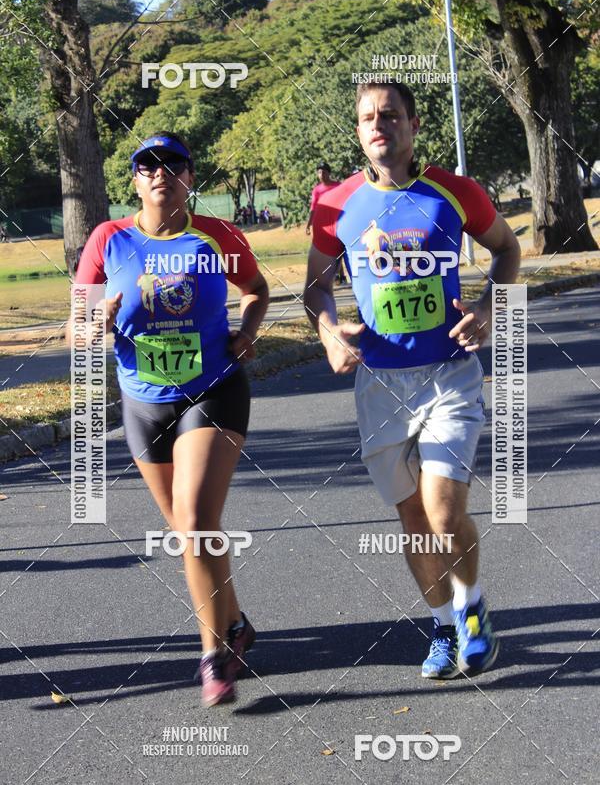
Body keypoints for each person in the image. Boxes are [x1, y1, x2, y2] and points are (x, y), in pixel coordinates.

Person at [304, 81, 521, 679]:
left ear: (413, 124)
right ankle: (445, 626)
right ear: (358, 131)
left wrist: (487, 307)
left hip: (449, 374)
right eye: (369, 118)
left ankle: (474, 608)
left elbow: (507, 249)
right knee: (415, 523)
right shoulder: (335, 204)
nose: (380, 125)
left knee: (443, 510)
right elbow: (315, 286)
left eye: (391, 115)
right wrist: (327, 331)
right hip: (380, 385)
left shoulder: (453, 192)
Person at [71, 132, 269, 705]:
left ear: (189, 176)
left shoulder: (216, 235)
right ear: (134, 179)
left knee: (196, 518)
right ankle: (234, 625)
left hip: (213, 391)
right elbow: (75, 331)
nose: (160, 173)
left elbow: (254, 289)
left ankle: (211, 655)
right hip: (142, 403)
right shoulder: (108, 240)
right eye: (147, 165)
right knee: (190, 533)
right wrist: (97, 321)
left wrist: (246, 333)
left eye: (173, 163)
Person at [306, 162, 345, 284]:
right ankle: (337, 276)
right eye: (318, 172)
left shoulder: (338, 186)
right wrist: (309, 224)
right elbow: (313, 208)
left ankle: (341, 275)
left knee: (341, 249)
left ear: (329, 173)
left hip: (339, 222)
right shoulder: (317, 190)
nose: (321, 174)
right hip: (325, 225)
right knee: (330, 251)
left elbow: (346, 201)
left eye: (323, 172)